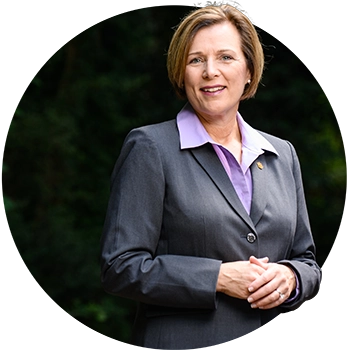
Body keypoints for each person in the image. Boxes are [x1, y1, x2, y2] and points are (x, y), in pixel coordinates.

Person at [100, 3, 321, 349]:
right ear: (181, 73)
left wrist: (291, 277)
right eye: (196, 60)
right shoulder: (151, 148)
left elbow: (306, 261)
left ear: (249, 70)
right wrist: (216, 277)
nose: (210, 71)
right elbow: (120, 267)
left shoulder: (282, 154)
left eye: (226, 58)